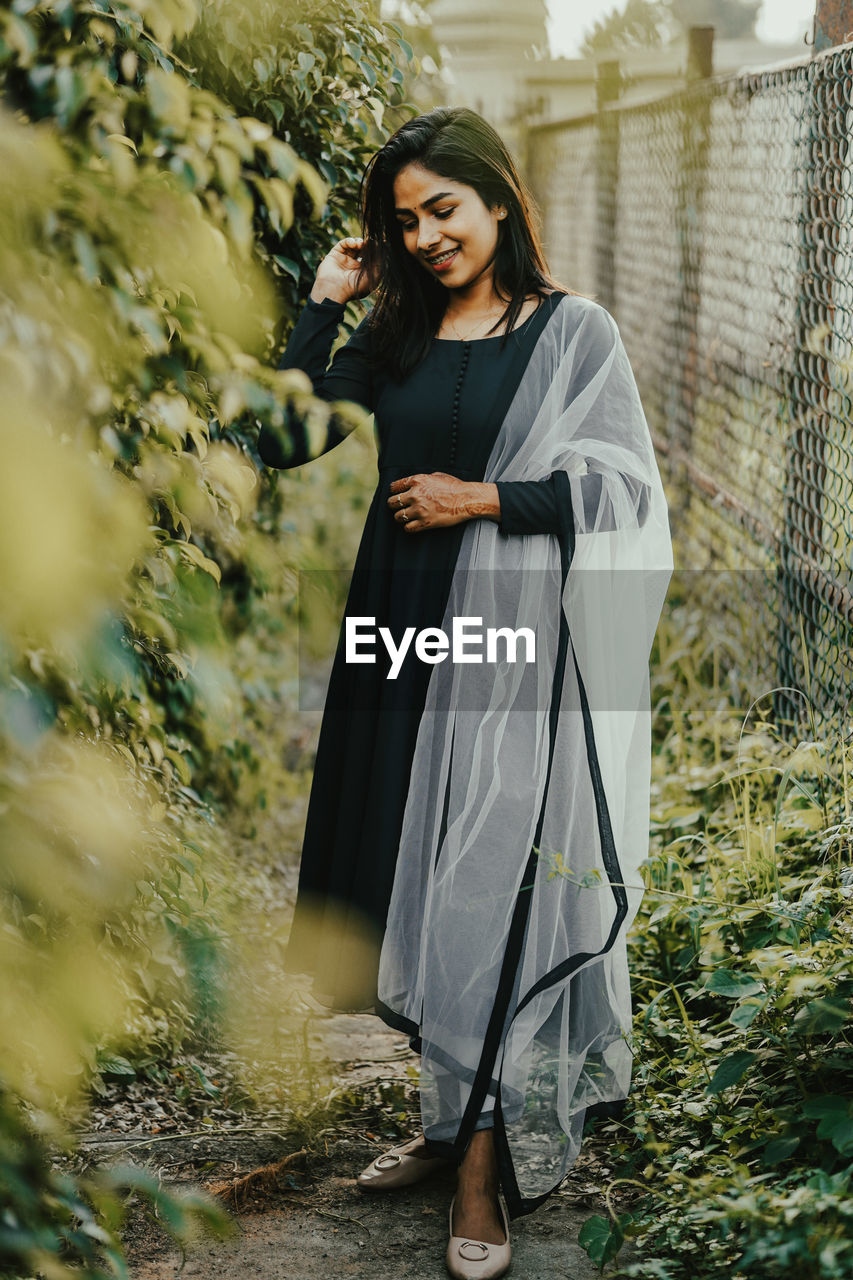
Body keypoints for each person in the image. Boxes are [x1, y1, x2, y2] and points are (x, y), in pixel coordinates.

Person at [258, 106, 672, 1280]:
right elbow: (278, 433)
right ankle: (447, 1123)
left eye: (444, 208)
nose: (428, 235)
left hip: (505, 639)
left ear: (497, 199)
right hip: (394, 621)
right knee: (407, 863)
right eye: (404, 220)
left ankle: (483, 1161)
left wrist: (479, 500)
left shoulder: (570, 333)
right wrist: (329, 296)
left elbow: (623, 496)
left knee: (483, 872)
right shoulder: (391, 335)